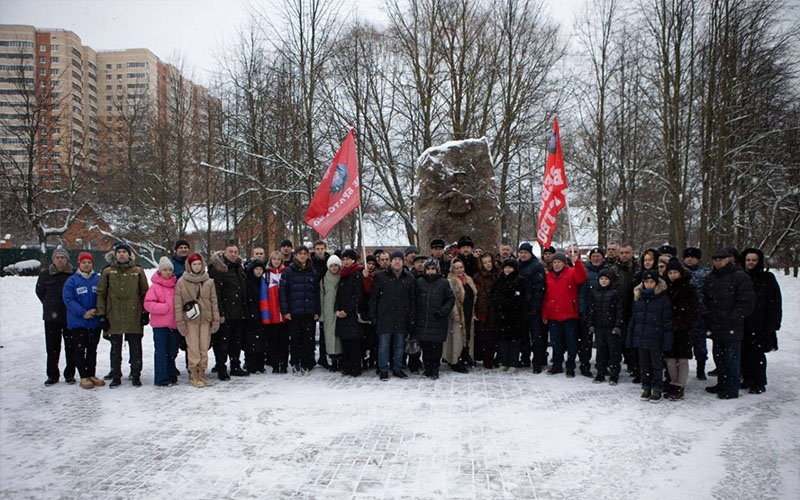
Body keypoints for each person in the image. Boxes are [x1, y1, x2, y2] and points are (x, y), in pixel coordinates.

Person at [703, 247, 755, 399]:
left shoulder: (740, 277)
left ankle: (732, 388)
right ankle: (722, 383)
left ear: (729, 259)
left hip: (732, 325)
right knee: (719, 357)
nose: (718, 262)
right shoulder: (711, 277)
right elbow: (706, 298)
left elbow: (746, 302)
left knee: (732, 358)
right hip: (715, 324)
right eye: (716, 260)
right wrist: (708, 314)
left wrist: (734, 317)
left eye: (721, 259)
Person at [96, 242, 149, 388]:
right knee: (115, 348)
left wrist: (145, 312)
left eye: (124, 252)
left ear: (129, 254)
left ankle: (136, 374)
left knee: (135, 347)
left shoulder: (138, 271)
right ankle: (116, 375)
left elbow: (145, 292)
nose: (121, 254)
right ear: (115, 254)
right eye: (119, 252)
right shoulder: (107, 271)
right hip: (114, 314)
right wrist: (101, 314)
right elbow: (101, 293)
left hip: (134, 314)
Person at [627, 269, 672, 402]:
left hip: (656, 338)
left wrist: (666, 340)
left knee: (656, 365)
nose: (649, 284)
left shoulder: (663, 299)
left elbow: (667, 321)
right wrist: (631, 336)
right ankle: (646, 386)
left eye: (651, 281)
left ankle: (657, 388)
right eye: (646, 282)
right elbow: (634, 319)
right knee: (644, 364)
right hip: (641, 337)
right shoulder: (638, 297)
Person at [175, 253, 220, 388]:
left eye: (199, 264)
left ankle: (202, 373)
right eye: (194, 264)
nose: (197, 266)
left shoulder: (209, 281)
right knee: (193, 347)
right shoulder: (182, 282)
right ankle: (194, 373)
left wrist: (215, 319)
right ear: (189, 266)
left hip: (205, 319)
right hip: (191, 320)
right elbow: (178, 303)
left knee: (204, 347)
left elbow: (214, 301)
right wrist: (180, 322)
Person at [369, 250, 415, 380]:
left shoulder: (409, 278)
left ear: (403, 261)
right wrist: (373, 316)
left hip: (402, 317)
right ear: (390, 261)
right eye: (395, 259)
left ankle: (397, 368)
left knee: (399, 345)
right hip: (384, 317)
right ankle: (383, 369)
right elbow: (374, 298)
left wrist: (411, 317)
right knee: (383, 345)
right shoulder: (381, 276)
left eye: (399, 260)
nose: (397, 262)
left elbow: (412, 301)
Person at [741, 248, 782, 394]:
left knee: (757, 353)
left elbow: (775, 301)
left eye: (754, 260)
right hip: (743, 321)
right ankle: (746, 378)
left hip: (761, 322)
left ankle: (759, 382)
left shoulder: (767, 278)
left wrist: (773, 322)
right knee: (743, 352)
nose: (750, 263)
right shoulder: (740, 276)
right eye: (748, 260)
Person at [62, 252, 103, 389]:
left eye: (89, 262)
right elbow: (68, 299)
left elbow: (103, 296)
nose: (87, 265)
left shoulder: (98, 279)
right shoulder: (72, 280)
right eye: (84, 262)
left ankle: (91, 373)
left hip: (94, 322)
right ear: (79, 264)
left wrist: (96, 310)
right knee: (79, 349)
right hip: (78, 322)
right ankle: (83, 376)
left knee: (92, 349)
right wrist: (82, 312)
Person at [208, 240, 249, 380]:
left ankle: (235, 365)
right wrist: (220, 313)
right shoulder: (218, 268)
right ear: (224, 253)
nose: (233, 254)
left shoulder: (239, 267)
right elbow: (216, 293)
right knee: (222, 343)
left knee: (236, 342)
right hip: (225, 313)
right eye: (230, 252)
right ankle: (221, 367)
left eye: (235, 252)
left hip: (239, 312)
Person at [542, 252, 587, 377]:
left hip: (569, 315)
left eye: (559, 262)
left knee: (571, 342)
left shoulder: (572, 272)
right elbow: (545, 296)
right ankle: (557, 364)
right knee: (556, 343)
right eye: (554, 262)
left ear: (564, 263)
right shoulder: (548, 276)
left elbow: (582, 277)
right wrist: (545, 313)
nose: (556, 265)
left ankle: (570, 366)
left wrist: (577, 262)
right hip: (553, 315)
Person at [36, 247, 76, 386]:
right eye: (57, 257)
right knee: (52, 348)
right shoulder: (45, 275)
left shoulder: (74, 274)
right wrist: (49, 303)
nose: (60, 260)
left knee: (71, 347)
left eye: (63, 257)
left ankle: (69, 374)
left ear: (67, 259)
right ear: (53, 259)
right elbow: (40, 291)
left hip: (70, 317)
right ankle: (52, 375)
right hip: (51, 318)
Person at [279, 245, 320, 376]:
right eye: (299, 253)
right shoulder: (288, 271)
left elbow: (316, 293)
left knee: (308, 340)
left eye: (304, 253)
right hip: (294, 312)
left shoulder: (312, 271)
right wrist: (285, 311)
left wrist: (317, 311)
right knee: (295, 339)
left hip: (309, 311)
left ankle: (306, 362)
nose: (302, 256)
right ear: (295, 255)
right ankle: (295, 362)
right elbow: (283, 293)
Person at [413, 258, 456, 379]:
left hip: (438, 319)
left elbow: (450, 299)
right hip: (423, 320)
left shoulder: (443, 282)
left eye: (433, 269)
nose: (431, 271)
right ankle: (427, 368)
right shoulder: (420, 282)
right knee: (425, 347)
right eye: (428, 268)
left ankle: (435, 368)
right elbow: (414, 300)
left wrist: (443, 311)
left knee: (436, 347)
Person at [663, 258, 699, 401]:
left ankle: (680, 385)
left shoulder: (689, 288)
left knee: (682, 358)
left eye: (675, 272)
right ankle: (673, 382)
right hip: (669, 328)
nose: (672, 275)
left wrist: (680, 322)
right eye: (670, 272)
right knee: (670, 358)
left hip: (684, 329)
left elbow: (693, 310)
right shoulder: (666, 288)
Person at [144, 257, 180, 387]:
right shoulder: (155, 287)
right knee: (161, 351)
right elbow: (148, 304)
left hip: (174, 324)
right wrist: (163, 307)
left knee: (172, 351)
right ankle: (161, 377)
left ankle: (171, 375)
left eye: (170, 270)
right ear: (160, 271)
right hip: (160, 325)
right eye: (165, 270)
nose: (168, 272)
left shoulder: (175, 286)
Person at [587, 268, 624, 385]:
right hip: (599, 327)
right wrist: (591, 324)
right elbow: (591, 310)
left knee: (613, 352)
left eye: (606, 279)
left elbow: (620, 310)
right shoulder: (595, 292)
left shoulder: (615, 293)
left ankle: (614, 374)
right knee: (600, 352)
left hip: (611, 327)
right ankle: (600, 373)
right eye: (601, 279)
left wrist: (618, 325)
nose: (603, 281)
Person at [491, 258, 527, 373]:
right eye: (506, 267)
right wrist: (498, 303)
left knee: (514, 341)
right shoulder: (499, 280)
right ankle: (504, 362)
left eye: (510, 267)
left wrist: (506, 303)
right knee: (503, 340)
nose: (507, 270)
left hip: (515, 316)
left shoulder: (520, 280)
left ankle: (513, 363)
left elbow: (519, 298)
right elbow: (493, 294)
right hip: (501, 315)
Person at [577, 247, 608, 378]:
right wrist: (582, 310)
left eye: (598, 256)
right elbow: (582, 293)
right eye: (593, 256)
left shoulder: (608, 271)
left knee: (603, 341)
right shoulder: (585, 272)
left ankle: (602, 365)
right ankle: (585, 365)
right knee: (585, 341)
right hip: (588, 311)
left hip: (604, 311)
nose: (596, 258)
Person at [335, 249, 366, 377]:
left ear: (353, 260)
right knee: (345, 342)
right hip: (342, 314)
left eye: (348, 259)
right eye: (344, 259)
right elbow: (338, 294)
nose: (345, 261)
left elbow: (358, 295)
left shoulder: (357, 274)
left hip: (352, 314)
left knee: (354, 343)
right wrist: (337, 309)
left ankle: (355, 367)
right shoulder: (343, 274)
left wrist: (347, 310)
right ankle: (346, 366)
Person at [444, 258, 478, 372]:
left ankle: (466, 356)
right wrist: (454, 313)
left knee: (467, 336)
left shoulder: (468, 280)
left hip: (468, 312)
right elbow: (450, 299)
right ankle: (455, 360)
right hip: (457, 313)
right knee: (457, 337)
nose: (459, 270)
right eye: (456, 268)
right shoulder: (450, 281)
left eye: (461, 267)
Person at [517, 242, 546, 372]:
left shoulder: (536, 267)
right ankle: (525, 358)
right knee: (523, 335)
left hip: (533, 307)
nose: (523, 255)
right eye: (521, 253)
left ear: (530, 254)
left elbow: (540, 288)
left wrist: (535, 305)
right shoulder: (517, 266)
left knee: (536, 336)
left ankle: (537, 362)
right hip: (521, 307)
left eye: (525, 253)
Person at [683, 246, 710, 379]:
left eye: (692, 257)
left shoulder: (705, 273)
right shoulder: (679, 272)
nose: (689, 259)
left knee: (700, 344)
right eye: (687, 257)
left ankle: (701, 369)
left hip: (700, 314)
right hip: (683, 314)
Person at [616, 243, 640, 381]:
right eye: (622, 252)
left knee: (635, 341)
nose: (624, 255)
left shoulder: (639, 269)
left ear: (632, 253)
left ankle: (636, 368)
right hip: (620, 308)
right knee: (622, 340)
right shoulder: (614, 270)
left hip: (636, 308)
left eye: (627, 252)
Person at [262, 251, 288, 373]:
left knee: (284, 341)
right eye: (274, 259)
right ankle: (275, 364)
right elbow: (263, 296)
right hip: (272, 315)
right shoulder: (266, 275)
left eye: (279, 259)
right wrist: (266, 314)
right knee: (273, 342)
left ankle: (283, 364)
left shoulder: (286, 274)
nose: (276, 261)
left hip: (283, 314)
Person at [473, 253, 499, 369]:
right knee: (486, 337)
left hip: (497, 310)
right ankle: (487, 360)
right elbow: (479, 296)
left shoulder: (498, 274)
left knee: (495, 336)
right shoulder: (478, 277)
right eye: (485, 262)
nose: (488, 264)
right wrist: (481, 311)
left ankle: (495, 358)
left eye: (489, 261)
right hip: (485, 311)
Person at [243, 259, 268, 374]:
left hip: (261, 314)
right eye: (256, 269)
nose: (258, 272)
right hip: (250, 315)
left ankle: (260, 363)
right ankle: (250, 363)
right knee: (250, 341)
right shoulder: (248, 282)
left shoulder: (264, 282)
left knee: (261, 341)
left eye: (260, 269)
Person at [320, 254, 343, 372]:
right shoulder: (324, 280)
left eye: (336, 266)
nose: (334, 268)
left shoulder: (343, 277)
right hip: (328, 311)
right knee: (330, 336)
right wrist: (322, 315)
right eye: (332, 266)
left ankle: (341, 359)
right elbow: (321, 297)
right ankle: (333, 360)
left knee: (340, 336)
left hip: (340, 310)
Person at [311, 240, 331, 369]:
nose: (320, 251)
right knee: (311, 330)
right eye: (317, 249)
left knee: (325, 330)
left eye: (321, 249)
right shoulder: (310, 263)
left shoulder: (330, 263)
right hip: (313, 297)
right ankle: (311, 356)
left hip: (326, 297)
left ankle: (324, 356)